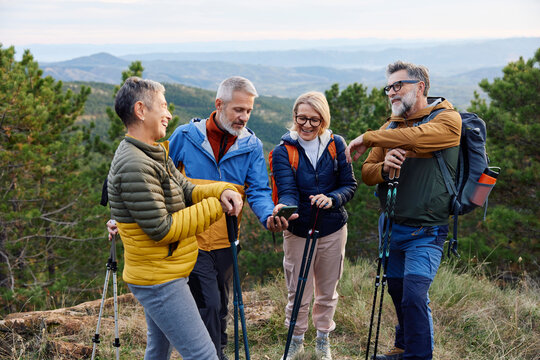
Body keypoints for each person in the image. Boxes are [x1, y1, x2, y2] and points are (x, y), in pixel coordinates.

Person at [107, 76, 244, 360]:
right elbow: (162, 228)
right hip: (159, 279)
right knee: (204, 354)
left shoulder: (153, 152)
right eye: (163, 106)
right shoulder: (135, 164)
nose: (169, 114)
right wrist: (217, 207)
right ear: (141, 110)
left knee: (158, 349)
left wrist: (222, 189)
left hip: (163, 272)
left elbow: (186, 188)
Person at [166, 76, 295, 359]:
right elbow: (160, 176)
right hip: (190, 238)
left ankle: (216, 350)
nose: (244, 117)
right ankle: (211, 355)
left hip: (227, 240)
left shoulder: (250, 146)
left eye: (248, 111)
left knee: (222, 304)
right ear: (219, 104)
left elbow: (259, 191)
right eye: (238, 110)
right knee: (208, 303)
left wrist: (268, 216)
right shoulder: (185, 137)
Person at [345, 61, 462, 360]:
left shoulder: (448, 120)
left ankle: (419, 355)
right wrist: (384, 168)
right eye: (389, 88)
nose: (392, 93)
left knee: (414, 295)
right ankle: (404, 346)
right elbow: (368, 171)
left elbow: (418, 138)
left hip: (427, 230)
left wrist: (370, 136)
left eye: (399, 86)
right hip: (392, 228)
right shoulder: (391, 126)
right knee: (397, 291)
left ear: (420, 87)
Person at [272, 91, 357, 360]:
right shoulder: (283, 151)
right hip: (298, 230)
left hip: (332, 228)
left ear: (324, 119)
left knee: (327, 290)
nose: (307, 125)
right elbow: (286, 191)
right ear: (294, 118)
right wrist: (286, 209)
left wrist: (332, 199)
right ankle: (296, 340)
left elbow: (349, 185)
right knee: (299, 290)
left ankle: (323, 339)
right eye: (302, 119)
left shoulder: (336, 144)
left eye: (314, 120)